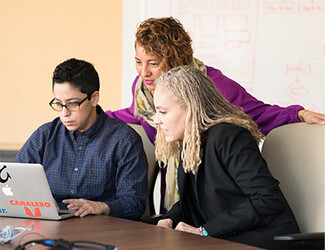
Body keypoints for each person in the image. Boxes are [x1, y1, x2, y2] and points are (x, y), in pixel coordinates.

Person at [106, 17, 325, 211]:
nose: (144, 72)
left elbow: (259, 113)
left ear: (174, 60)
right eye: (138, 62)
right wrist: (97, 117)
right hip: (180, 195)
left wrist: (299, 114)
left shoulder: (215, 86)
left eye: (153, 63)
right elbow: (139, 114)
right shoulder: (144, 88)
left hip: (215, 196)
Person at [154, 66, 300, 250]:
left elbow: (267, 199)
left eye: (163, 112)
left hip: (262, 241)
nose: (156, 120)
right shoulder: (190, 141)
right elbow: (196, 201)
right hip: (223, 240)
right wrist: (169, 219)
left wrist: (204, 232)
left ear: (191, 108)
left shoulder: (230, 135)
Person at [14, 58, 148, 220]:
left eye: (72, 104)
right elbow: (14, 181)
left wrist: (102, 207)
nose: (64, 113)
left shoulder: (124, 140)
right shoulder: (45, 135)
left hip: (103, 231)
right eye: (58, 104)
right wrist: (34, 201)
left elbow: (135, 203)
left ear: (94, 98)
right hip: (49, 226)